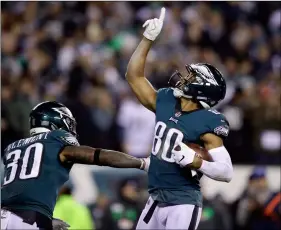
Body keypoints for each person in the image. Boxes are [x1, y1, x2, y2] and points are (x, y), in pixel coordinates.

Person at [126, 7, 233, 230]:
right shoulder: (166, 101)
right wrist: (147, 39)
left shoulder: (208, 121)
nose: (184, 78)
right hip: (155, 197)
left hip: (183, 201)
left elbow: (226, 171)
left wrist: (197, 162)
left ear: (201, 88)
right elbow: (134, 76)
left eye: (191, 77)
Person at [1, 101, 149, 230]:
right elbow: (96, 155)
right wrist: (141, 162)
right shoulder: (55, 139)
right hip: (28, 219)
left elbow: (21, 191)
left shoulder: (13, 147)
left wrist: (44, 221)